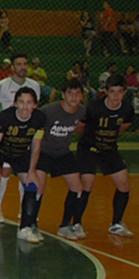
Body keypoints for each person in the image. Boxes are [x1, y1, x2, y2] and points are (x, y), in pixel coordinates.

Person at [77, 75, 135, 237]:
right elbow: (80, 127)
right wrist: (93, 138)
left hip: (109, 149)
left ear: (125, 92)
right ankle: (76, 223)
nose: (116, 96)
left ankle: (116, 223)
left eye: (120, 92)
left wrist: (108, 139)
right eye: (112, 92)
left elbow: (123, 126)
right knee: (87, 182)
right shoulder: (94, 108)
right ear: (106, 92)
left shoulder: (127, 109)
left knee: (123, 183)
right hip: (89, 148)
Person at [0, 53, 42, 222]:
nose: (22, 67)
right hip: (6, 136)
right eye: (18, 64)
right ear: (12, 67)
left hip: (24, 136)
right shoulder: (2, 85)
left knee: (25, 173)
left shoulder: (34, 85)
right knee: (4, 171)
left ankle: (23, 210)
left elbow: (34, 110)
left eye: (25, 64)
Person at [37, 80, 88, 239]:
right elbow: (36, 131)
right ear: (63, 94)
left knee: (78, 187)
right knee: (38, 187)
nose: (74, 97)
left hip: (62, 153)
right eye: (70, 93)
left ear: (82, 96)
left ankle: (65, 225)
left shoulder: (81, 111)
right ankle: (30, 224)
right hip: (43, 152)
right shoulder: (48, 111)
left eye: (77, 93)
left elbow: (81, 128)